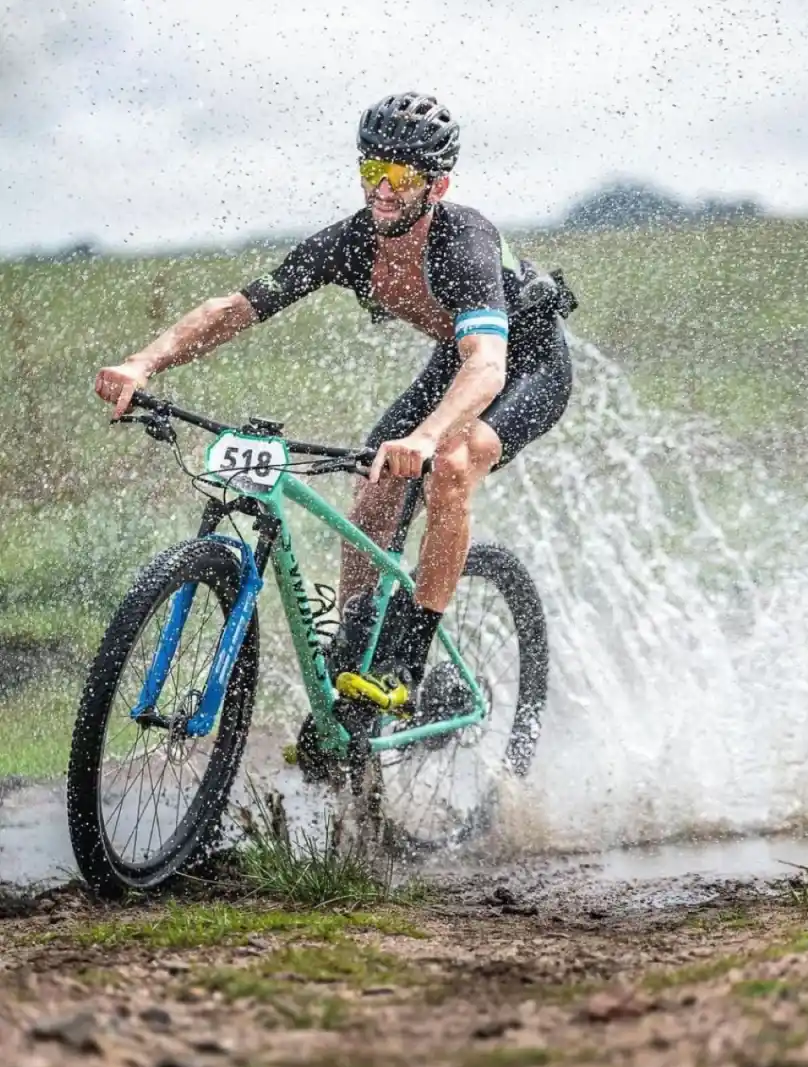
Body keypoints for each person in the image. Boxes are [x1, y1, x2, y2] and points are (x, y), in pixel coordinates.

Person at [94, 91, 576, 705]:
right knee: (376, 474)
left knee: (452, 466)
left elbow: (486, 365)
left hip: (527, 365)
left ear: (438, 185)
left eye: (399, 176)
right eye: (371, 171)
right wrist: (142, 363)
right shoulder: (349, 243)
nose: (381, 190)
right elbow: (237, 309)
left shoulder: (464, 241)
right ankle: (355, 637)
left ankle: (408, 658)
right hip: (457, 362)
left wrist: (429, 438)